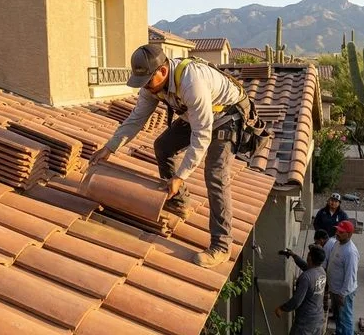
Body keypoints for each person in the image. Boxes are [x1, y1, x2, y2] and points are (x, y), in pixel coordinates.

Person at [89, 44, 249, 268]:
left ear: (162, 72)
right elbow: (136, 119)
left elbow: (202, 134)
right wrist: (109, 148)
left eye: (147, 82)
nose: (145, 88)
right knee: (163, 146)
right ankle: (180, 200)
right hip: (194, 115)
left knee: (215, 176)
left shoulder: (192, 83)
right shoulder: (151, 87)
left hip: (225, 117)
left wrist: (181, 175)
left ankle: (221, 246)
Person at [275, 245, 328, 335]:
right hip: (318, 319)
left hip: (305, 323)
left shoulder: (305, 278)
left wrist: (282, 308)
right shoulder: (321, 271)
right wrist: (294, 255)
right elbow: (305, 266)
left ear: (310, 257)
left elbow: (296, 301)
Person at [326, 220, 359, 335]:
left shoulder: (350, 252)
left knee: (345, 319)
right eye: (338, 230)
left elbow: (350, 276)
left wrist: (342, 294)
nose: (337, 233)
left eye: (341, 232)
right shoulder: (337, 244)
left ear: (349, 234)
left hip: (343, 293)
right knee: (338, 317)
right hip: (335, 290)